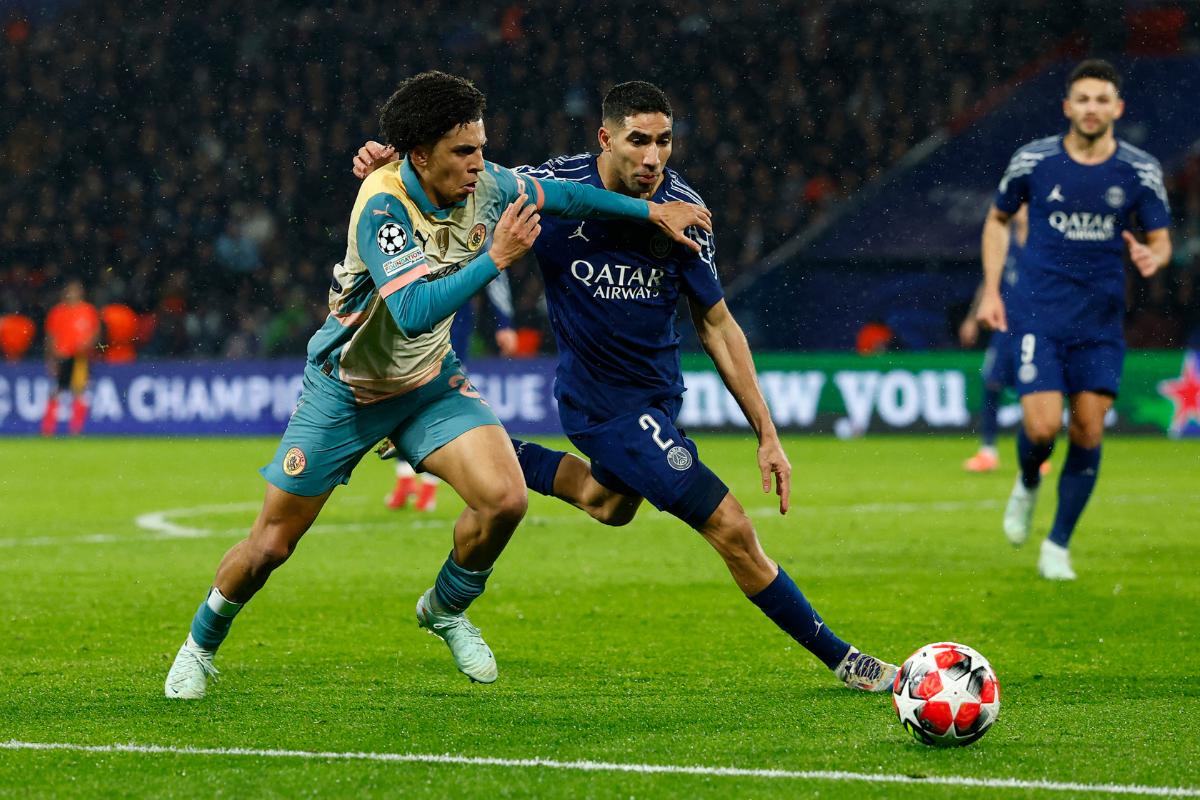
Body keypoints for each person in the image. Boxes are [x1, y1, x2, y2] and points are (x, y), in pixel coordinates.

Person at [164, 71, 710, 699]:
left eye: (481, 147)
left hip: (429, 384)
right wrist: (495, 259)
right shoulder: (383, 204)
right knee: (271, 545)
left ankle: (446, 608)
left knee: (506, 501)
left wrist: (651, 210)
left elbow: (572, 199)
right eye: (464, 151)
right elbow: (413, 312)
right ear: (419, 155)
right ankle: (199, 646)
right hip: (348, 390)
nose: (481, 164)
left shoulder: (491, 185)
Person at [356, 81, 896, 691]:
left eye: (665, 141)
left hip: (657, 396)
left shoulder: (685, 211)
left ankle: (448, 449)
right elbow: (458, 178)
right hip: (599, 403)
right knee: (732, 528)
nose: (653, 157)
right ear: (605, 139)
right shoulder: (554, 187)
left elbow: (716, 324)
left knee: (604, 503)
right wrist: (395, 167)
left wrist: (767, 433)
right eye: (638, 141)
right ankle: (845, 660)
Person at [976, 59, 1171, 580]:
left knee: (1087, 430)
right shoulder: (1033, 161)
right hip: (1038, 313)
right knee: (1041, 429)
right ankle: (1028, 480)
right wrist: (992, 291)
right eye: (1082, 99)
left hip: (1101, 322)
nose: (1092, 108)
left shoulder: (1139, 170)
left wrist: (1155, 258)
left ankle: (1057, 544)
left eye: (1102, 99)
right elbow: (997, 220)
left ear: (1118, 108)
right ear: (1067, 106)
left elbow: (1160, 238)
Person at [384, 277, 518, 513]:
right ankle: (405, 480)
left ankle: (428, 488)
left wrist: (504, 322)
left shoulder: (472, 240)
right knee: (403, 402)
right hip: (410, 330)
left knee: (439, 407)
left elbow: (496, 268)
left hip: (451, 333)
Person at [960, 207, 1049, 473]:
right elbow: (989, 283)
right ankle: (988, 451)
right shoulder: (1004, 241)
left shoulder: (1043, 244)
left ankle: (1038, 451)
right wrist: (972, 317)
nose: (1019, 211)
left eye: (1025, 207)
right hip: (1004, 327)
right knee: (991, 383)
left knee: (1033, 390)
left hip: (1035, 328)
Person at [41, 278, 100, 436]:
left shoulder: (88, 310)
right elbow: (50, 336)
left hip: (80, 357)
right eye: (70, 290)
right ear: (65, 293)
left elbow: (95, 333)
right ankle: (47, 429)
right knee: (56, 391)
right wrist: (51, 359)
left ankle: (76, 429)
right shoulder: (57, 312)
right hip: (61, 356)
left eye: (75, 290)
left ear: (81, 293)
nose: (72, 294)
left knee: (79, 391)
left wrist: (87, 345)